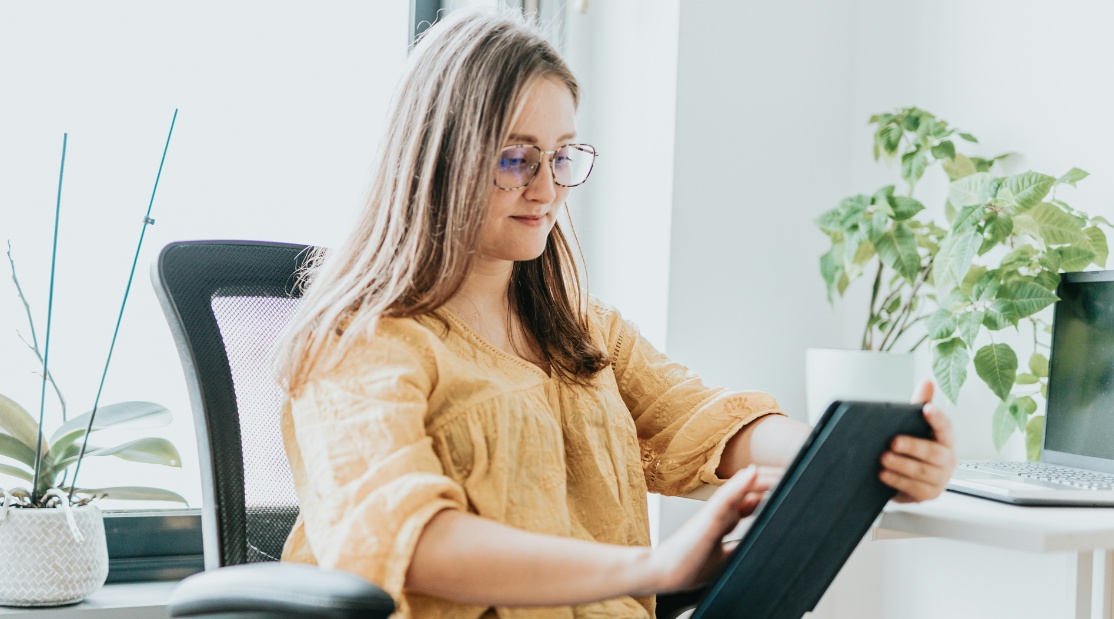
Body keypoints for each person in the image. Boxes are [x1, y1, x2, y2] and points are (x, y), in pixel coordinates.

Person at [276, 9, 957, 619]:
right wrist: (655, 567)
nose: (546, 188)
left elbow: (700, 421)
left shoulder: (579, 331)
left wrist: (860, 454)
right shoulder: (358, 343)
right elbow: (411, 537)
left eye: (561, 156)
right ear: (439, 159)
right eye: (515, 158)